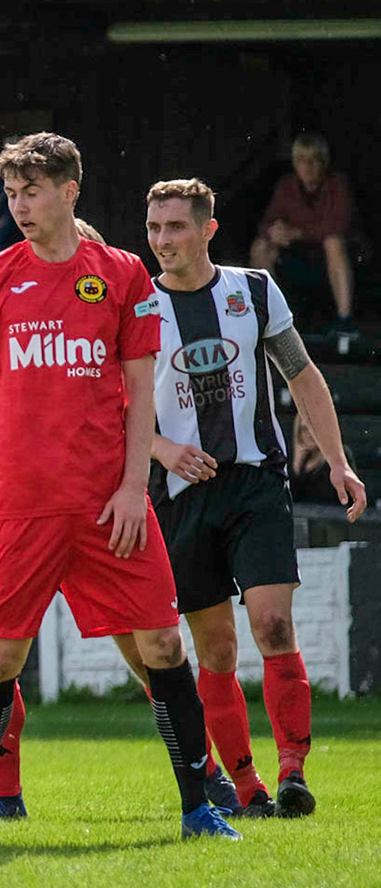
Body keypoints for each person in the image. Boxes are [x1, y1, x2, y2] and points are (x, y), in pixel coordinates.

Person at [0, 132, 239, 840]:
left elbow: (140, 391)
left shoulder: (121, 275)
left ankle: (199, 807)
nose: (19, 206)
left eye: (31, 192)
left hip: (107, 506)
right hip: (17, 505)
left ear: (69, 191)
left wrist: (132, 486)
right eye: (11, 193)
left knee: (162, 647)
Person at [106, 178, 365, 819]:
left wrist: (338, 461)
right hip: (180, 495)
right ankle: (247, 790)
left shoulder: (253, 290)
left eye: (175, 226)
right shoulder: (137, 305)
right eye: (154, 227)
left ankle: (294, 772)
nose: (162, 240)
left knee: (273, 624)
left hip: (255, 483)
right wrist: (164, 451)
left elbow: (301, 374)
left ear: (208, 229)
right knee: (217, 650)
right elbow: (113, 406)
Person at [250, 134, 359, 336]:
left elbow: (337, 227)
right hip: (296, 251)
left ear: (323, 163)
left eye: (313, 160)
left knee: (333, 242)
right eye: (301, 160)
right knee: (261, 247)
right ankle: (274, 317)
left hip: (332, 254)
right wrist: (273, 231)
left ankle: (345, 320)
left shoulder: (337, 184)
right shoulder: (286, 185)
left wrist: (298, 232)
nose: (307, 167)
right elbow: (267, 222)